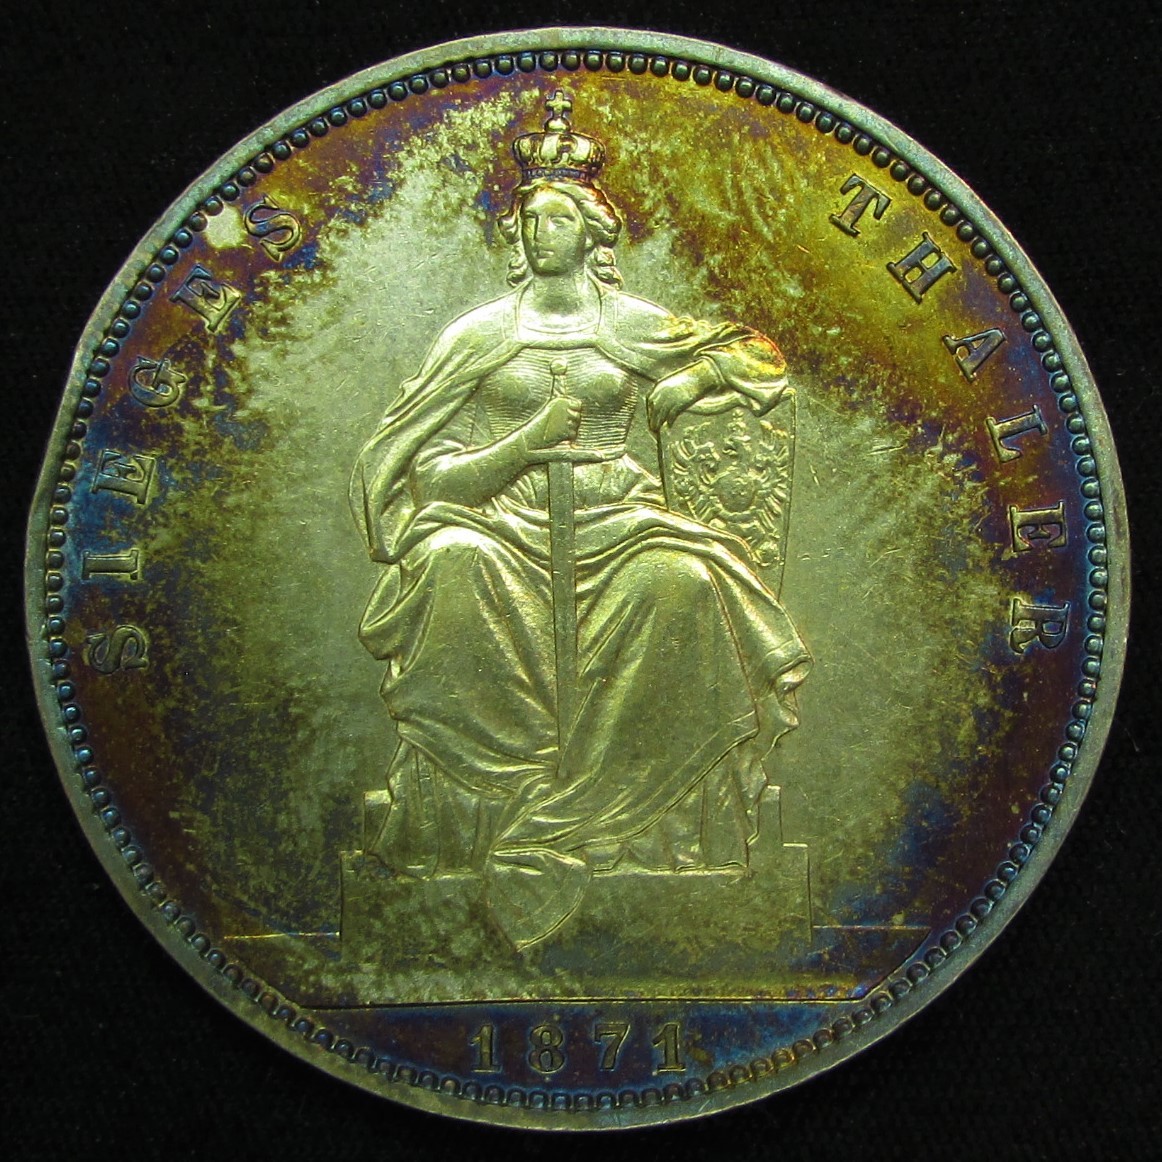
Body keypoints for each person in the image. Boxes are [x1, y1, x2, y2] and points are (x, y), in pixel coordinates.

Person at [350, 92, 810, 949]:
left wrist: (693, 380)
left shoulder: (631, 325)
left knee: (683, 581)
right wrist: (524, 444)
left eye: (557, 218)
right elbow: (424, 471)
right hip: (499, 525)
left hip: (616, 518)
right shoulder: (478, 337)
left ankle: (607, 811)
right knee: (447, 559)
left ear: (594, 231)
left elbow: (759, 355)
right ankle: (511, 794)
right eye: (529, 219)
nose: (540, 232)